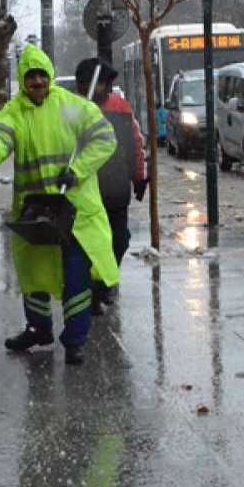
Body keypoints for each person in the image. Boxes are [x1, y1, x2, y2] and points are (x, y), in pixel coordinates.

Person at [0, 45, 119, 366]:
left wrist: (77, 170)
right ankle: (38, 329)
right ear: (23, 79)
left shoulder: (73, 107)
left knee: (76, 276)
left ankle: (75, 340)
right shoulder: (14, 112)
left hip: (75, 210)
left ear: (49, 76)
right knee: (32, 273)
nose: (37, 81)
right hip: (36, 211)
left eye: (41, 75)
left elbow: (105, 139)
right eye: (31, 76)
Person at [75, 58, 147, 315]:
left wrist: (139, 176)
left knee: (119, 239)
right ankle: (93, 287)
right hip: (84, 189)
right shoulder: (73, 109)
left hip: (116, 187)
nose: (97, 89)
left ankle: (104, 281)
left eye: (101, 84)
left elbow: (134, 143)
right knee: (90, 242)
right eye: (90, 84)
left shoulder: (121, 108)